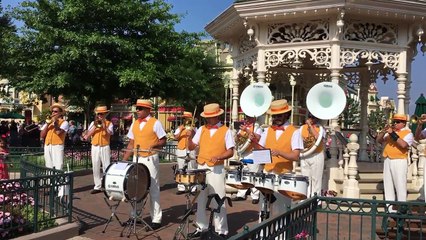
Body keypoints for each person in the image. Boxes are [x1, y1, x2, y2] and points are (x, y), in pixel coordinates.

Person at [186, 103, 234, 238]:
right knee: (201, 198)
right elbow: (191, 147)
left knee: (218, 199)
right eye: (207, 117)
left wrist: (219, 156)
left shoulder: (226, 130)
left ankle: (221, 230)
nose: (208, 119)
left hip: (217, 168)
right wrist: (189, 136)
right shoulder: (201, 129)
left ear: (218, 116)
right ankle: (201, 227)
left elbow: (230, 151)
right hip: (202, 167)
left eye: (211, 117)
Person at [253, 99, 303, 217]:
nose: (276, 118)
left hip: (284, 175)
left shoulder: (294, 132)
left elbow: (295, 156)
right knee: (264, 207)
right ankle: (262, 234)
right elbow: (260, 150)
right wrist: (254, 142)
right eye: (274, 116)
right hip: (267, 173)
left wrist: (280, 152)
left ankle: (280, 235)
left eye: (279, 115)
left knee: (281, 209)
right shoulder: (268, 130)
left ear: (286, 114)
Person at [122, 99, 167, 230]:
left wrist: (155, 144)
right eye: (137, 108)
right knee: (136, 188)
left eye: (140, 108)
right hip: (137, 157)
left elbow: (163, 140)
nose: (137, 111)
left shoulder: (155, 123)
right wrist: (124, 160)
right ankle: (135, 215)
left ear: (148, 110)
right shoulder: (135, 123)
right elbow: (131, 142)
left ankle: (156, 219)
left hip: (150, 158)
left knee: (153, 187)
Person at [377, 114, 413, 210]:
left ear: (404, 123)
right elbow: (379, 140)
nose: (395, 123)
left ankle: (402, 208)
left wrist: (392, 133)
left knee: (400, 184)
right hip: (388, 159)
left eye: (398, 122)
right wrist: (383, 131)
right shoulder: (389, 132)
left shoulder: (408, 133)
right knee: (388, 185)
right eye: (394, 121)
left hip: (399, 160)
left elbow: (403, 145)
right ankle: (389, 210)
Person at [83, 106, 113, 194]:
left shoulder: (109, 123)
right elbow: (87, 135)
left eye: (101, 114)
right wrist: (95, 127)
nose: (100, 115)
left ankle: (107, 185)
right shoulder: (93, 123)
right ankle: (97, 186)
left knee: (106, 166)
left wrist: (104, 126)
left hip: (105, 146)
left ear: (105, 114)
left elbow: (110, 133)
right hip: (95, 146)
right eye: (98, 114)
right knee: (95, 166)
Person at [232, 115, 262, 204]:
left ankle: (255, 195)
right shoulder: (242, 127)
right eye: (246, 118)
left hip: (253, 153)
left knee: (254, 174)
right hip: (243, 153)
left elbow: (259, 137)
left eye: (249, 118)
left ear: (254, 118)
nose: (247, 119)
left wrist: (247, 130)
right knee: (243, 173)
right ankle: (241, 194)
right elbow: (237, 140)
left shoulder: (257, 127)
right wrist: (237, 137)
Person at [300, 113, 326, 198]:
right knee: (305, 178)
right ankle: (305, 197)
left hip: (316, 154)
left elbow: (318, 138)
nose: (311, 119)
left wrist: (310, 126)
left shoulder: (321, 128)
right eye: (310, 117)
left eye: (313, 117)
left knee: (316, 179)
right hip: (305, 155)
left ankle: (316, 199)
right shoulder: (302, 128)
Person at [174, 111, 197, 194]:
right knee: (181, 168)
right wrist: (181, 130)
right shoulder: (179, 128)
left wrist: (192, 131)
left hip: (191, 149)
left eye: (187, 119)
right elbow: (175, 137)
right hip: (181, 149)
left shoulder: (194, 128)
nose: (186, 120)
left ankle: (193, 187)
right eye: (184, 118)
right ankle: (181, 187)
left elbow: (196, 137)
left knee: (192, 168)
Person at [40, 103, 69, 170]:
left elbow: (58, 132)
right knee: (48, 166)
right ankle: (49, 180)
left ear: (60, 113)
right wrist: (47, 124)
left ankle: (58, 180)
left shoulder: (64, 122)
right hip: (47, 145)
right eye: (52, 111)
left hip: (57, 145)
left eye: (55, 111)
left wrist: (55, 122)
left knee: (58, 166)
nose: (53, 113)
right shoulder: (49, 122)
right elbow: (42, 135)